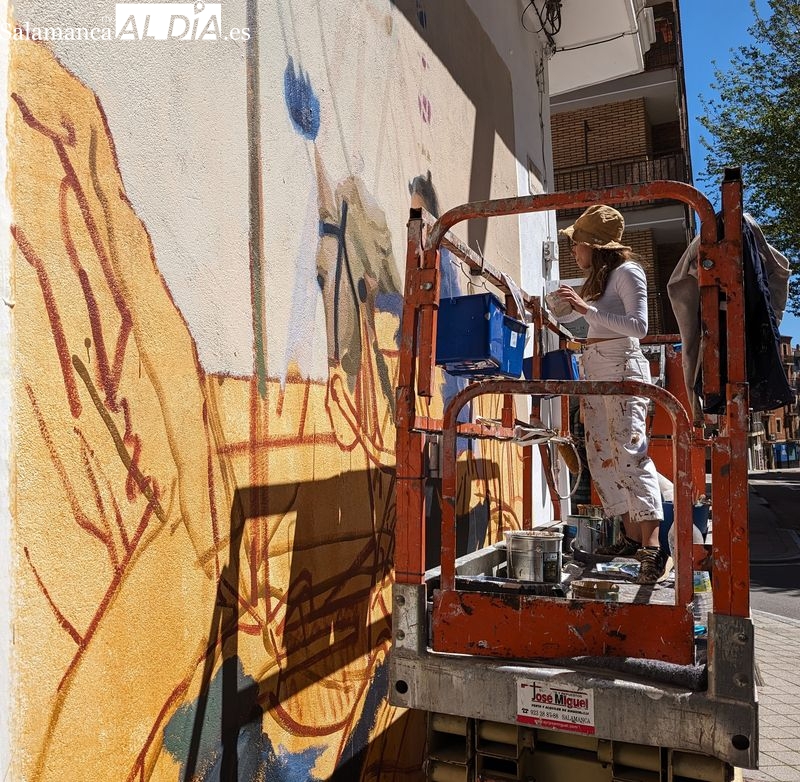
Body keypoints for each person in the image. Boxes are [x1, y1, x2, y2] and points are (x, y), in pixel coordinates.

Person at [550, 205, 665, 584]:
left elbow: (640, 326)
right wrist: (557, 305)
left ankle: (652, 547)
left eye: (576, 246)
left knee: (630, 453)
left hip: (621, 367)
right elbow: (576, 317)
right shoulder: (600, 279)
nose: (573, 253)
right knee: (602, 454)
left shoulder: (628, 271)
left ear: (591, 245)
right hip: (597, 367)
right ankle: (632, 541)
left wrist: (586, 308)